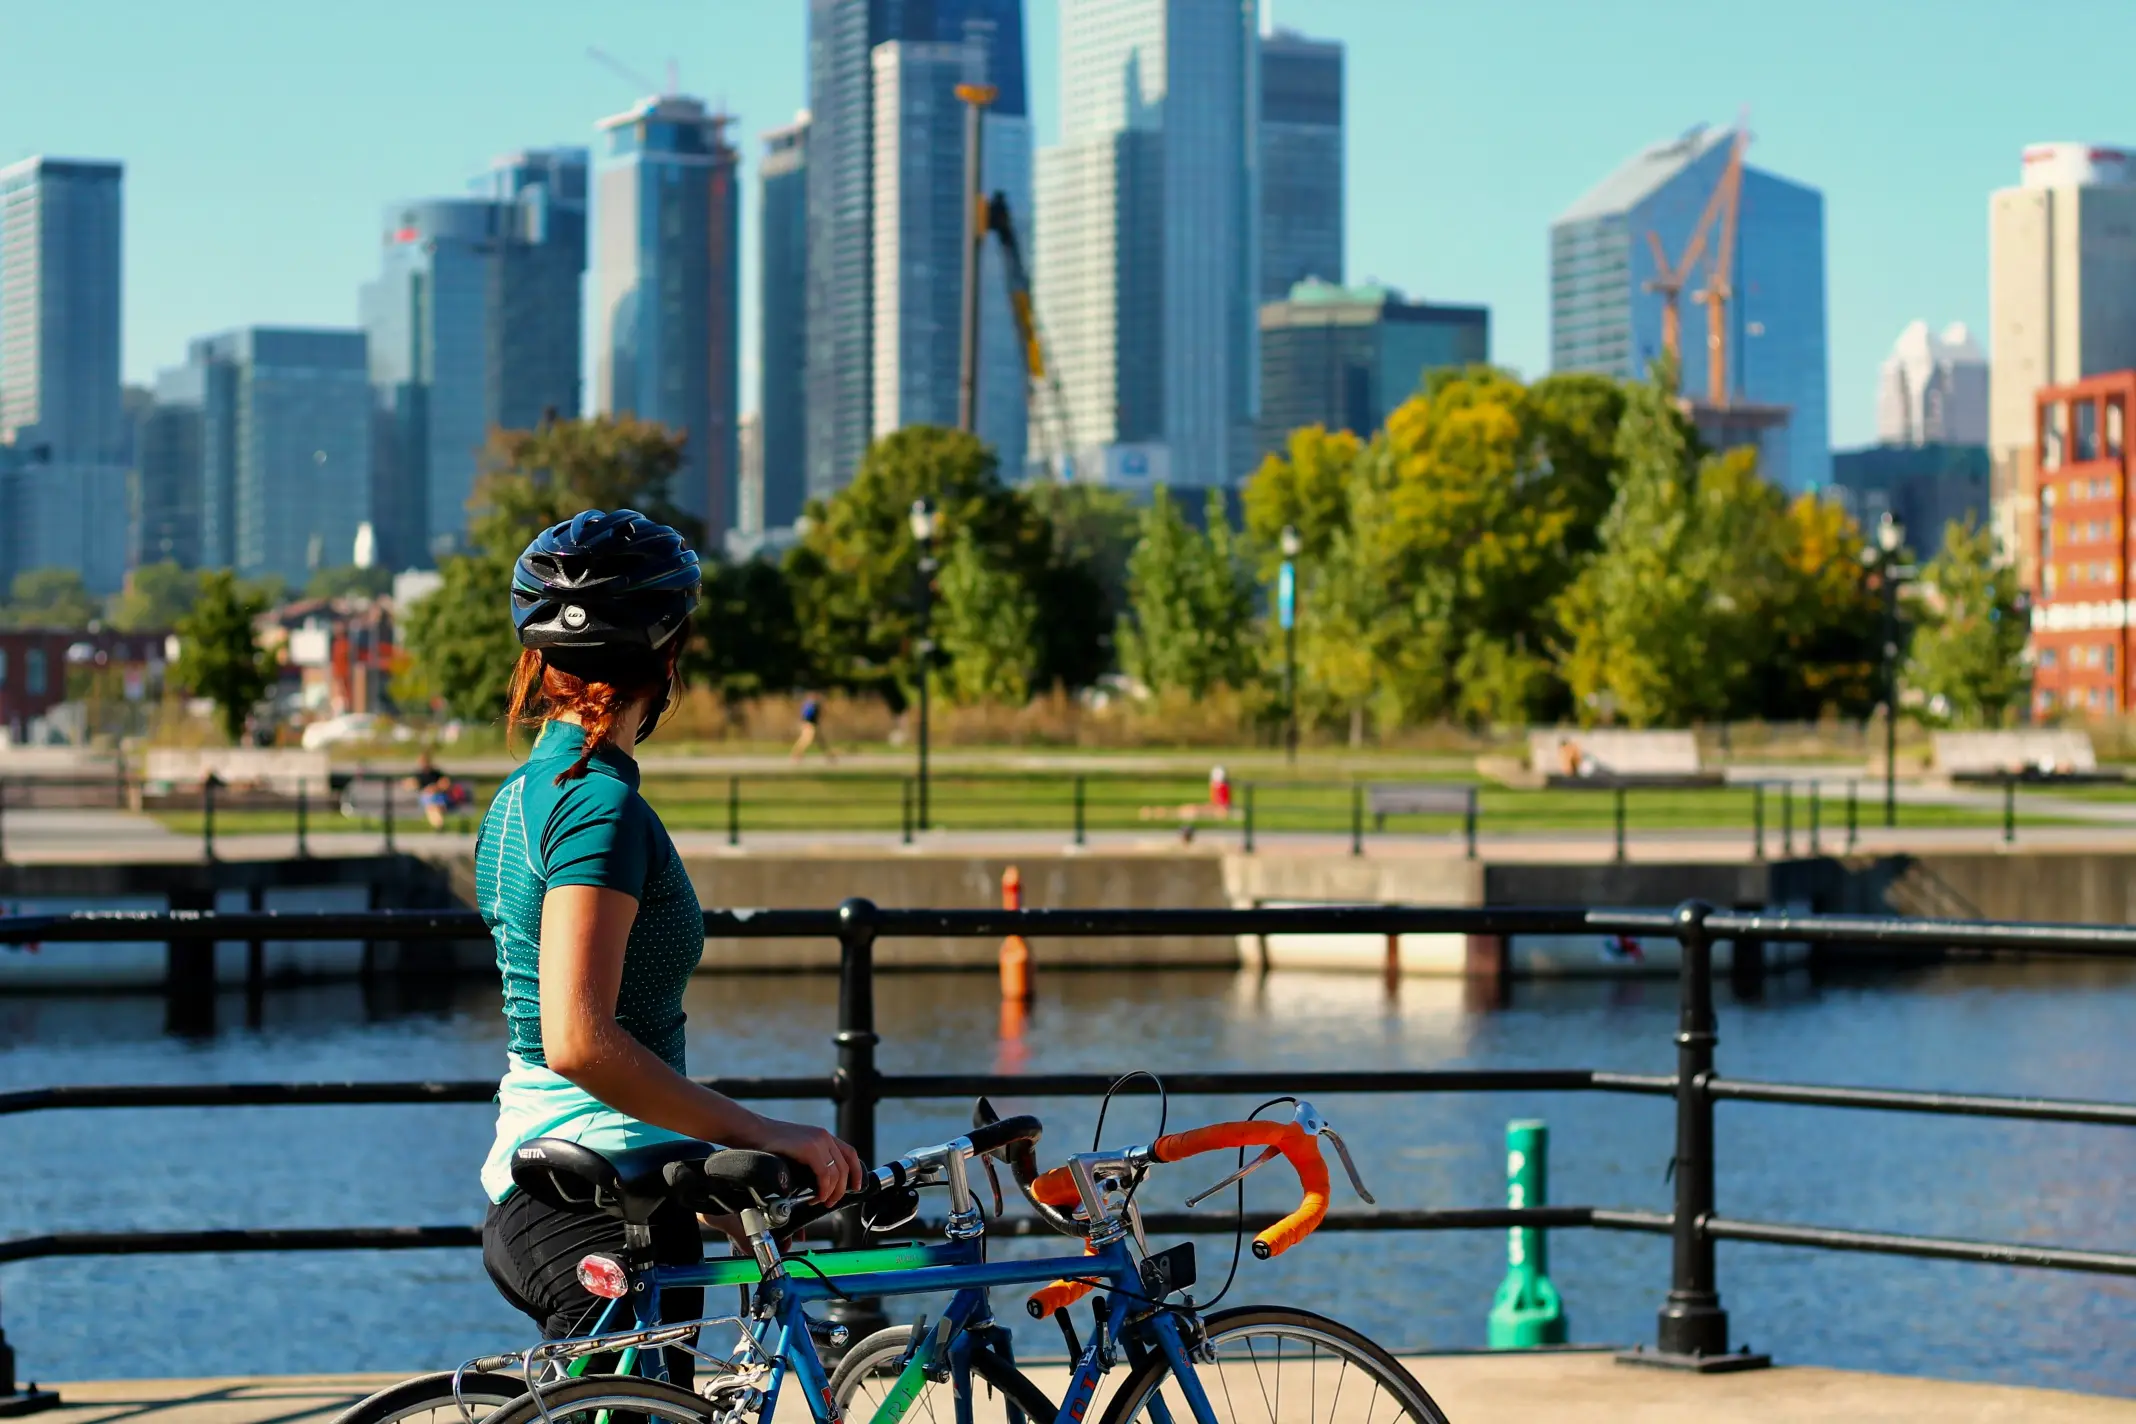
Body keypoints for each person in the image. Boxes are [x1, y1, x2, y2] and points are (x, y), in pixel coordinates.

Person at [475, 509, 863, 1367]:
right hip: (600, 1200)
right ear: (665, 660)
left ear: (540, 660)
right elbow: (580, 1042)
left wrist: (707, 1172)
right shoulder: (594, 806)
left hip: (579, 1181)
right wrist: (764, 1133)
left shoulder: (521, 796)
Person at [406, 750, 457, 830]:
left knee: (432, 808)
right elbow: (408, 785)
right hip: (426, 798)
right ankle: (439, 825)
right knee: (431, 807)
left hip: (438, 797)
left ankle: (438, 825)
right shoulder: (418, 775)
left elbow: (446, 783)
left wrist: (435, 788)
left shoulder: (436, 773)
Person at [790, 691, 835, 763]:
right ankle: (797, 755)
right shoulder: (811, 704)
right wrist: (806, 723)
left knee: (820, 741)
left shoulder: (812, 704)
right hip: (809, 725)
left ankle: (829, 756)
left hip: (813, 724)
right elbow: (807, 715)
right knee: (806, 740)